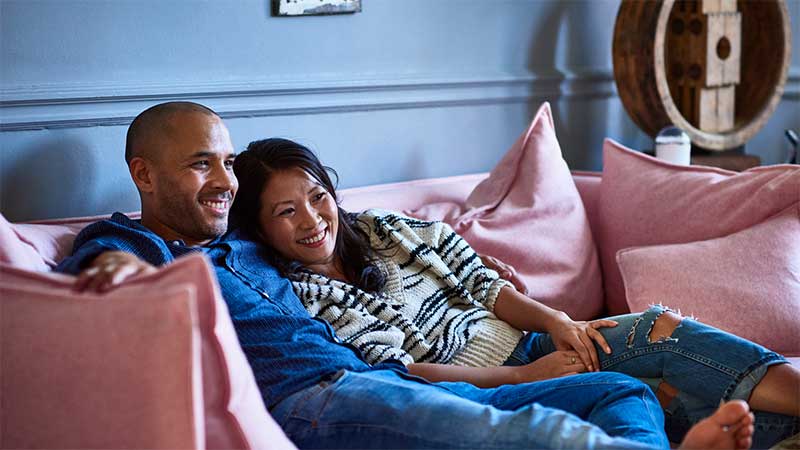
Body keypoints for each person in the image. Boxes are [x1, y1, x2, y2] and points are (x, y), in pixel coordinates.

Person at [57, 101, 756, 450]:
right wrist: (122, 268)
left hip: (375, 380)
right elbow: (101, 266)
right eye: (201, 164)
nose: (223, 180)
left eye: (228, 161)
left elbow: (333, 231)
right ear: (143, 174)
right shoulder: (129, 242)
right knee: (528, 432)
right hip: (315, 399)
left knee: (619, 391)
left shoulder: (247, 246)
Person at [229, 137, 799, 449]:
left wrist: (556, 322)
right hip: (488, 389)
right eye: (286, 211)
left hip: (529, 342)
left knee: (658, 330)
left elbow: (483, 282)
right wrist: (526, 377)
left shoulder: (384, 228)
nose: (311, 219)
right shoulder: (299, 298)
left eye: (316, 196)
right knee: (642, 392)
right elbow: (402, 374)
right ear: (260, 229)